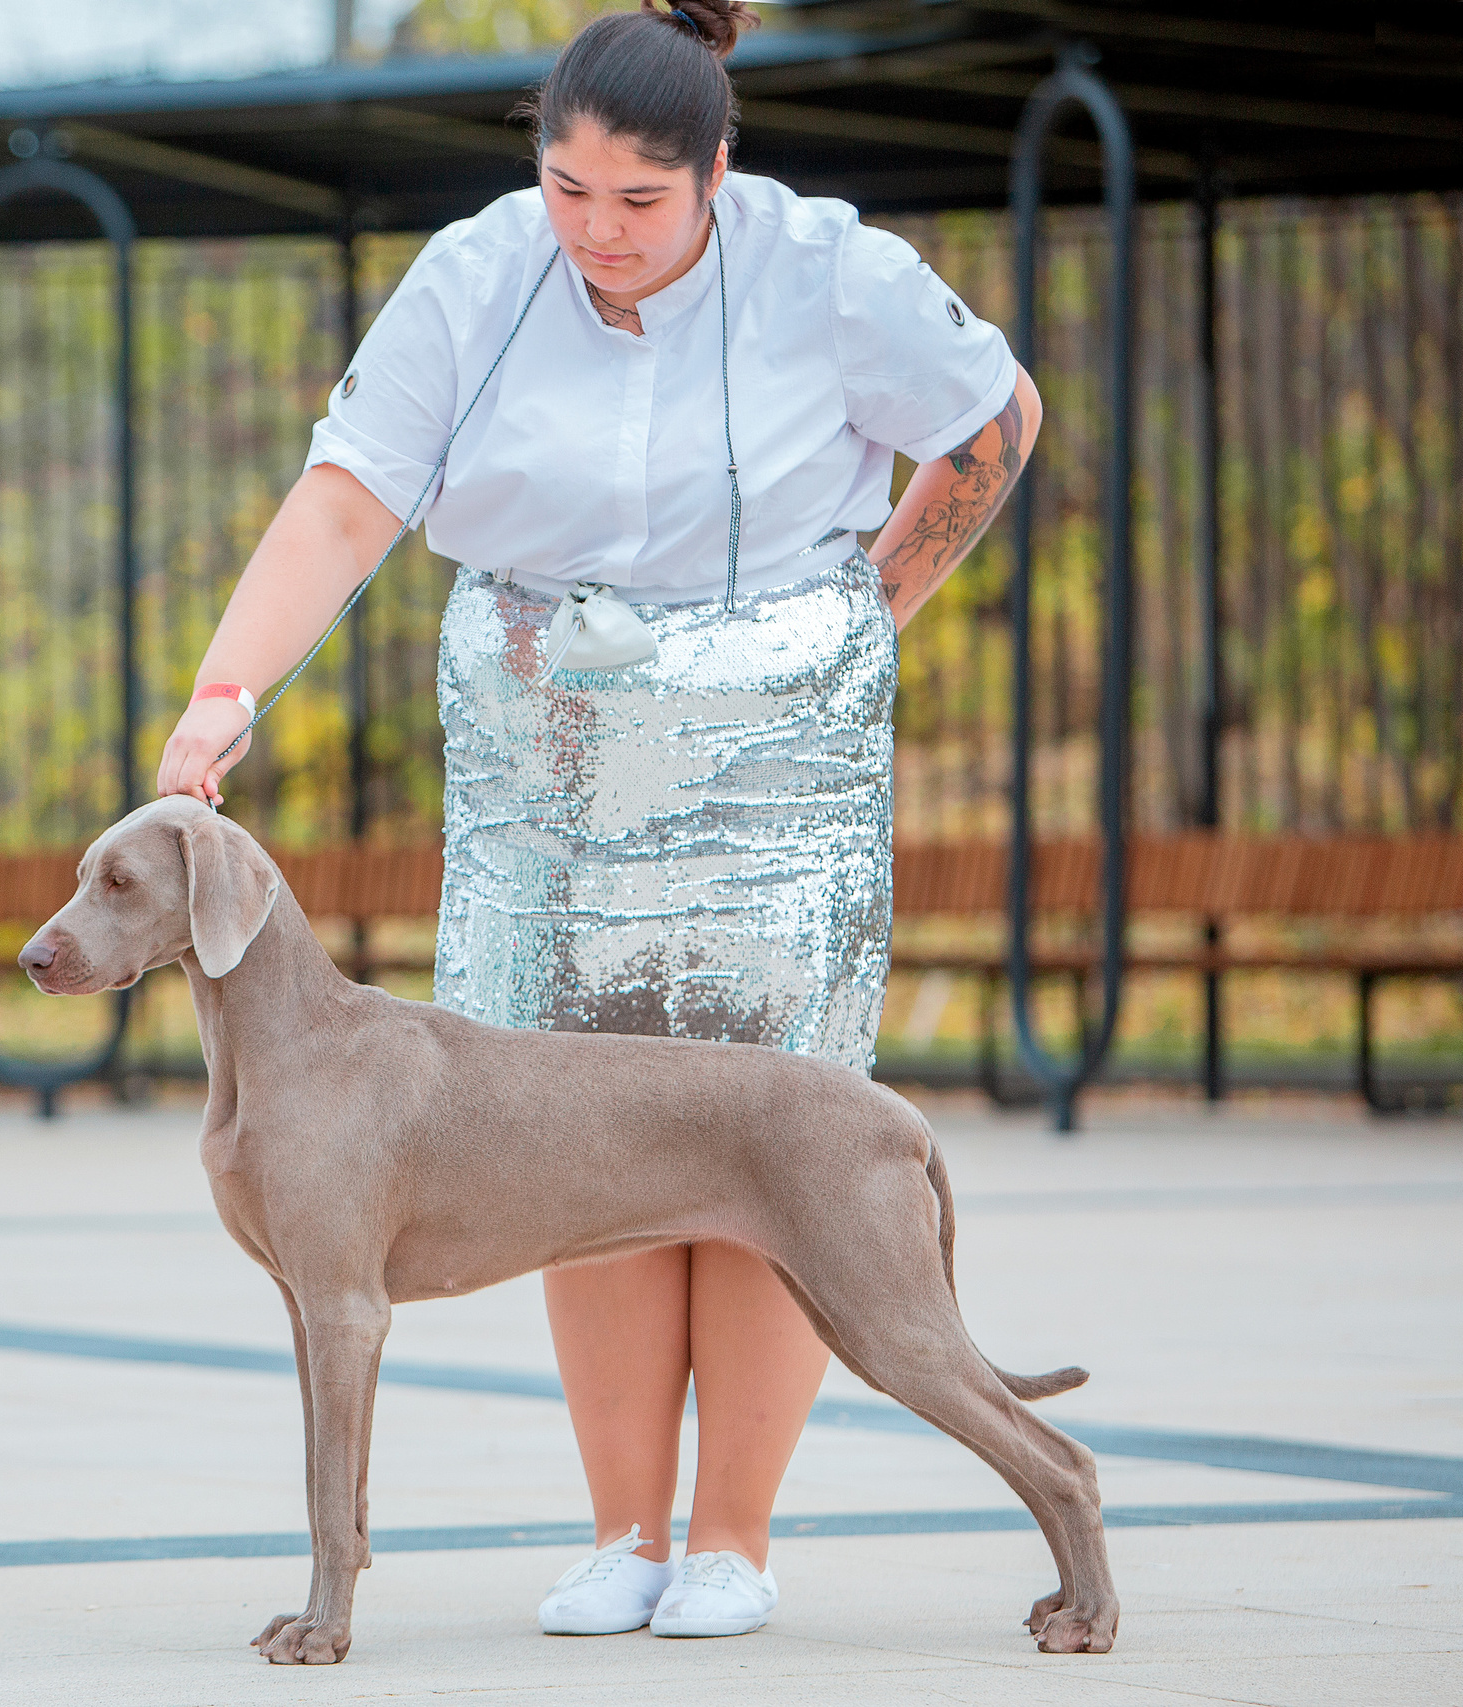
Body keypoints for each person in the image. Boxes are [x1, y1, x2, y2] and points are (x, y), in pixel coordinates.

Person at [154, 0, 1041, 1645]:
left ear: (719, 167)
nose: (599, 233)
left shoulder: (827, 267)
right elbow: (348, 495)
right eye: (569, 191)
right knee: (559, 1123)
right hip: (543, 754)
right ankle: (624, 1525)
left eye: (640, 202)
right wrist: (225, 694)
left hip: (780, 760)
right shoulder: (478, 274)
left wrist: (868, 612)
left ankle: (732, 1537)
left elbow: (995, 424)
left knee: (768, 1132)